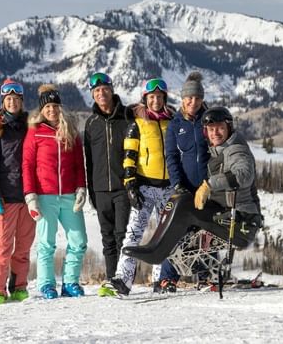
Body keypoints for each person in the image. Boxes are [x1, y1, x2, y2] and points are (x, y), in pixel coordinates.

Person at [121, 106, 263, 267]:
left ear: (229, 128)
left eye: (220, 128)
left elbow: (244, 174)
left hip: (241, 224)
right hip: (229, 216)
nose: (215, 133)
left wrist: (208, 185)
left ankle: (156, 253)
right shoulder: (218, 150)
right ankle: (160, 251)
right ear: (205, 132)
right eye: (211, 129)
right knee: (183, 200)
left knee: (184, 206)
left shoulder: (236, 150)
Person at [103, 78, 175, 297]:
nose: (156, 100)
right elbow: (129, 156)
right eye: (151, 97)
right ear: (145, 99)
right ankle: (123, 280)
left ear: (164, 98)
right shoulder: (137, 123)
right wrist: (130, 184)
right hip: (144, 187)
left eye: (159, 97)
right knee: (133, 234)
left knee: (166, 235)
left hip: (168, 188)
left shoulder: (171, 122)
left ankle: (161, 280)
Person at [22, 84, 88, 299]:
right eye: (48, 106)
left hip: (69, 195)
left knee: (79, 241)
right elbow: (27, 165)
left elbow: (79, 163)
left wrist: (81, 188)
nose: (52, 110)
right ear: (42, 109)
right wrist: (31, 197)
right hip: (44, 196)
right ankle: (46, 284)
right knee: (46, 243)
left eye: (55, 105)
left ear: (60, 107)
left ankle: (70, 282)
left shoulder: (70, 130)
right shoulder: (35, 132)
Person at [0, 79, 36, 305]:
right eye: (8, 99)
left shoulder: (30, 126)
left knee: (23, 247)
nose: (12, 102)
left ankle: (19, 287)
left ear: (21, 101)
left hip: (29, 196)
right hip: (5, 197)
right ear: (3, 102)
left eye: (16, 99)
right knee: (3, 247)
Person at [157, 71, 210, 292]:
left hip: (207, 188)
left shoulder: (209, 120)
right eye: (189, 98)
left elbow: (218, 153)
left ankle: (205, 277)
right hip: (183, 187)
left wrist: (210, 182)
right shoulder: (175, 124)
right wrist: (178, 184)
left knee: (207, 232)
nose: (193, 102)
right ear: (182, 98)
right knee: (177, 231)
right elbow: (171, 156)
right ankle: (168, 278)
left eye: (197, 98)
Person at [83, 72, 133, 294]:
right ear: (93, 95)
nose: (101, 93)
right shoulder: (91, 123)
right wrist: (91, 190)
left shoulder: (127, 117)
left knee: (123, 235)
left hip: (123, 188)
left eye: (104, 89)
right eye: (96, 91)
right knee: (108, 238)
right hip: (100, 188)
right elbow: (89, 159)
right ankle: (113, 280)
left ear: (112, 90)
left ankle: (125, 280)